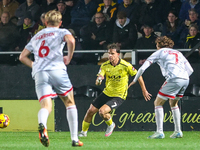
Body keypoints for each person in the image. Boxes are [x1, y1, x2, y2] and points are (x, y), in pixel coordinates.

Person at [19, 10, 83, 147]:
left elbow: (22, 57)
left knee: (46, 106)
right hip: (57, 70)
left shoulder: (36, 36)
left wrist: (34, 65)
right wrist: (69, 57)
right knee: (70, 102)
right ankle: (74, 139)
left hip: (40, 73)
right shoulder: (62, 31)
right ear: (60, 23)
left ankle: (42, 124)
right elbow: (71, 40)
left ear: (45, 22)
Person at [78, 43, 152, 137]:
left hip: (119, 95)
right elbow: (98, 80)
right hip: (107, 93)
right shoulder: (105, 65)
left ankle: (111, 125)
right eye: (109, 53)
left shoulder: (126, 65)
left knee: (102, 111)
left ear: (118, 54)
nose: (110, 55)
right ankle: (83, 133)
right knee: (91, 110)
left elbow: (139, 76)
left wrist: (144, 90)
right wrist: (99, 80)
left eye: (112, 53)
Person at [129, 36, 194, 139]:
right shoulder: (178, 53)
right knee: (173, 103)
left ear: (158, 45)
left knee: (158, 103)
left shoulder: (159, 52)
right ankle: (178, 131)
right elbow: (190, 70)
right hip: (185, 79)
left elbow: (142, 68)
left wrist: (134, 80)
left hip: (174, 79)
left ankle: (159, 132)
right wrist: (181, 79)